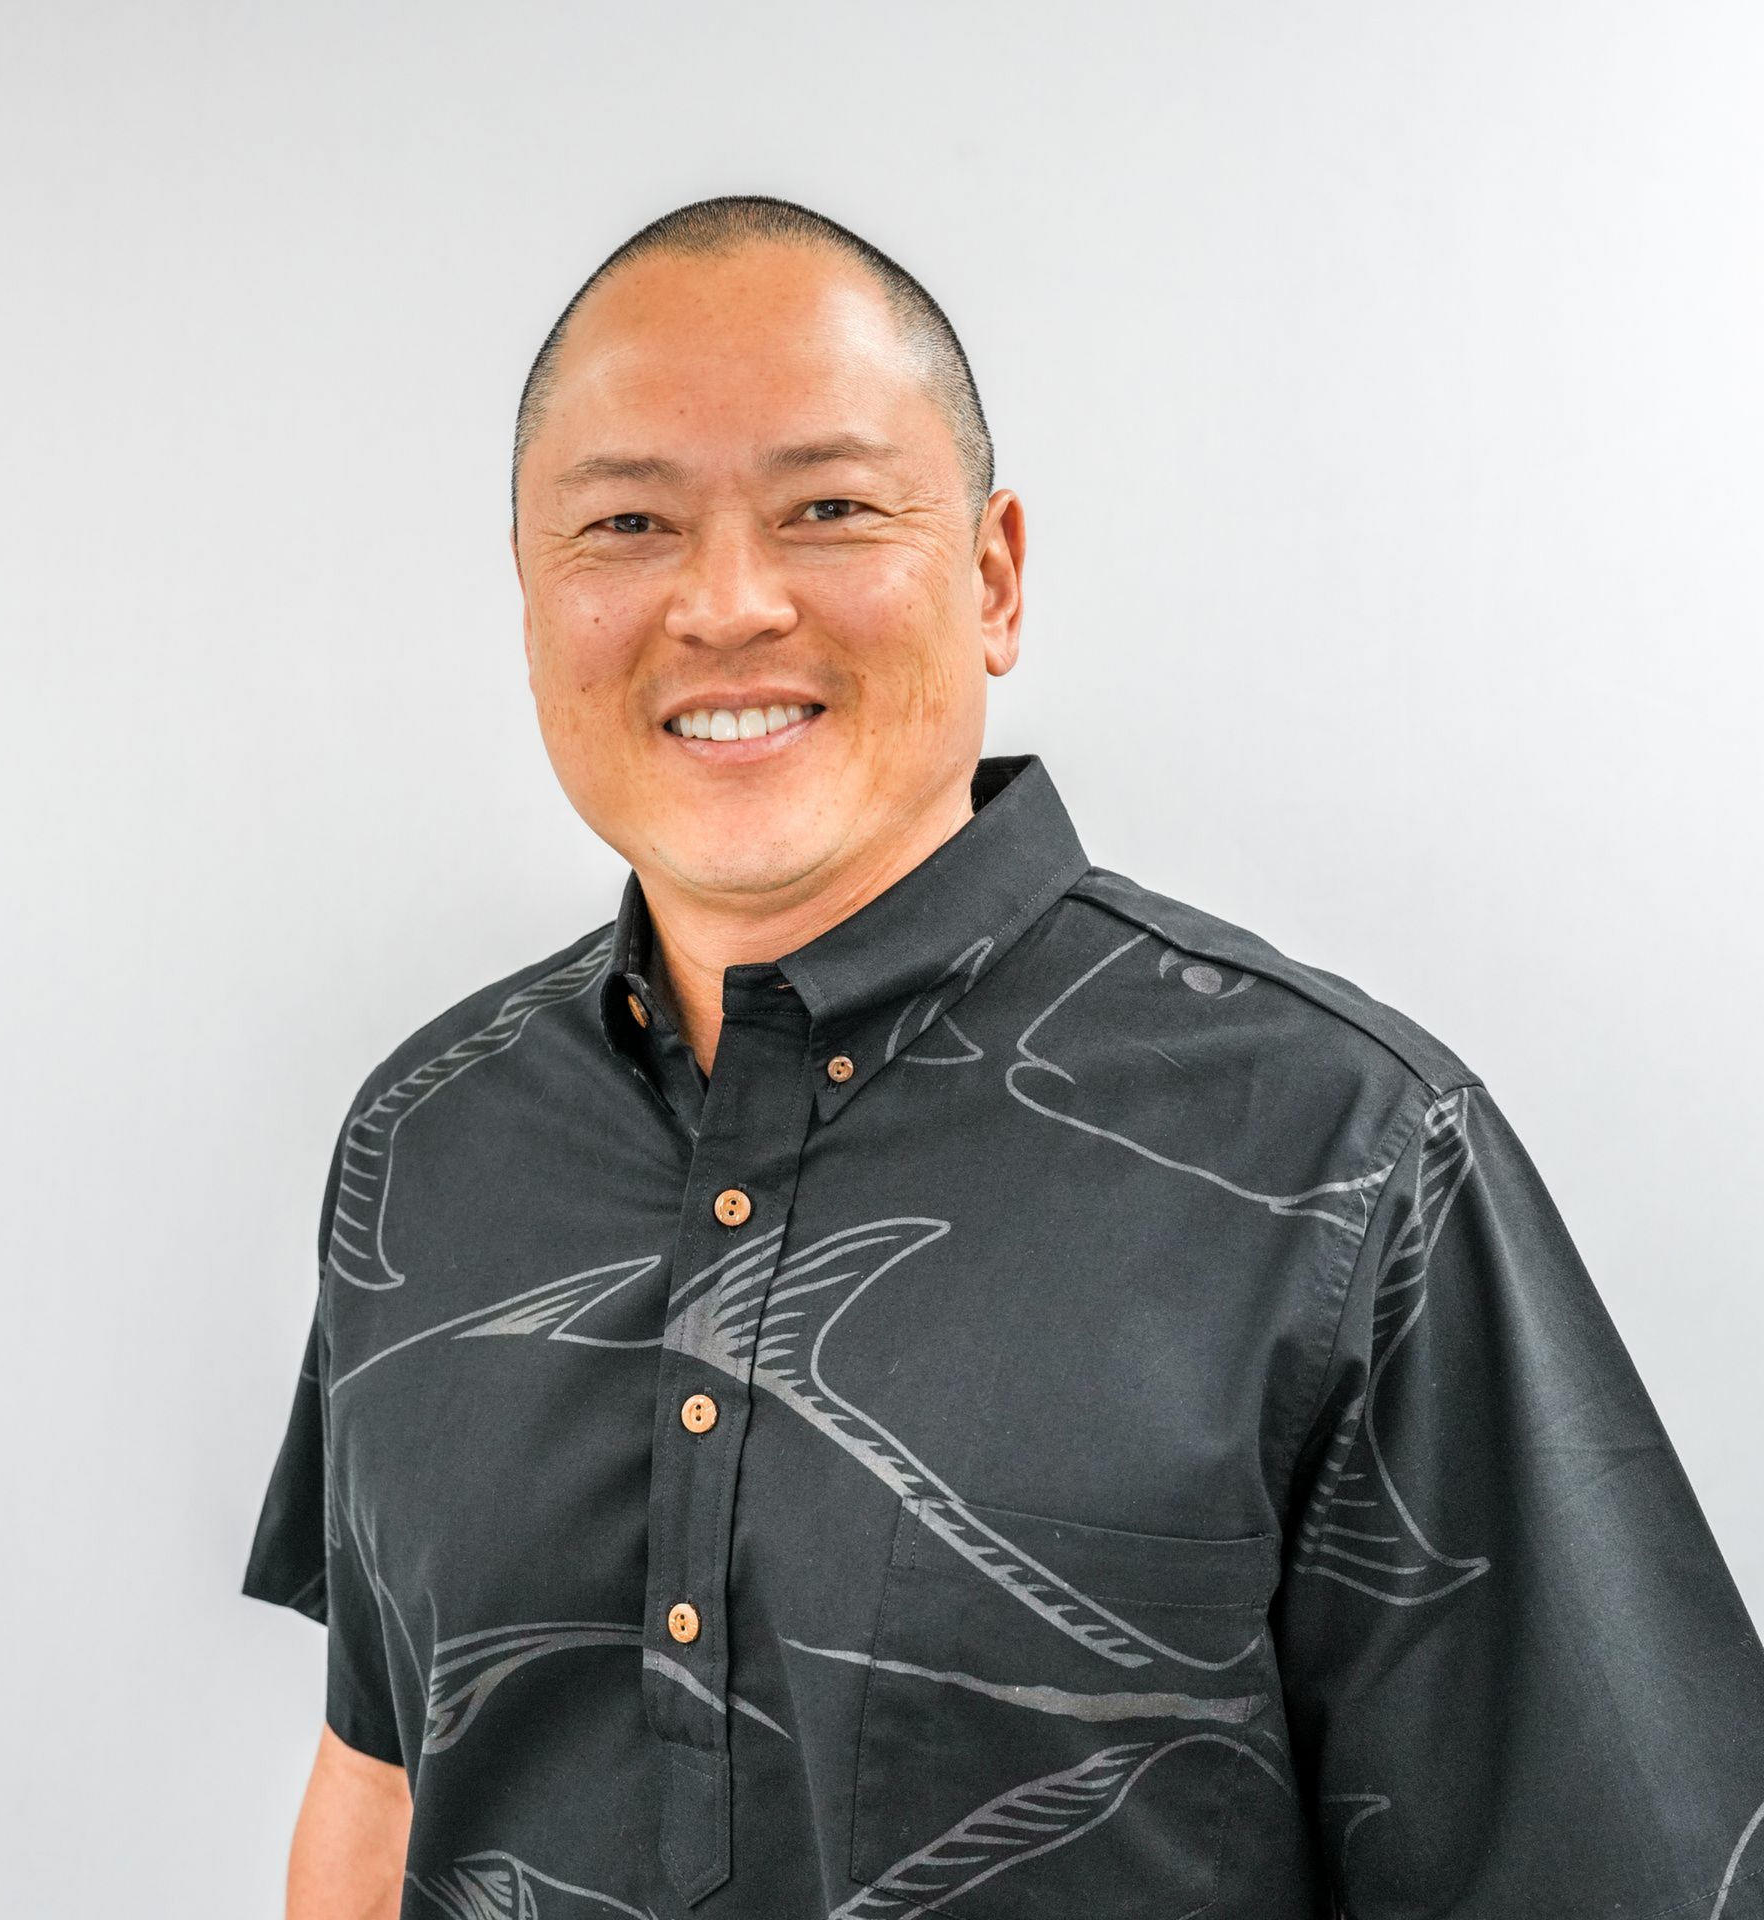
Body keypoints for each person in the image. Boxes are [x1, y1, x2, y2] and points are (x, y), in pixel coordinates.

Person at [243, 193, 1764, 1920]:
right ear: (530, 597)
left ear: (992, 577)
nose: (725, 602)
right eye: (628, 523)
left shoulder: (1343, 1162)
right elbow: (380, 1796)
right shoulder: (425, 1141)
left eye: (828, 508)